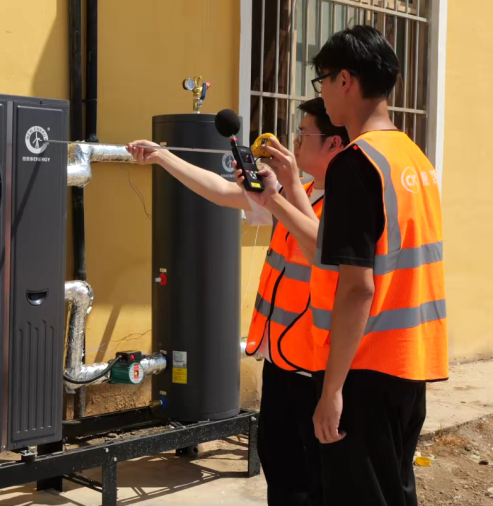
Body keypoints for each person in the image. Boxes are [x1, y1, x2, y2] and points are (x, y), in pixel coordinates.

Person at [244, 25, 448, 506]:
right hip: (409, 364)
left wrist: (331, 389)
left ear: (346, 81)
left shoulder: (357, 164)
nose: (323, 97)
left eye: (322, 81)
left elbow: (358, 288)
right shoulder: (413, 158)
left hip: (364, 369)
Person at [127, 97, 349, 506]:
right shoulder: (296, 193)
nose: (293, 143)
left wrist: (287, 189)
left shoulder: (347, 204)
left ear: (335, 144)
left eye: (304, 135)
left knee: (317, 481)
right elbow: (221, 191)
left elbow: (322, 246)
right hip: (282, 362)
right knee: (281, 472)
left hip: (317, 369)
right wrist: (164, 158)